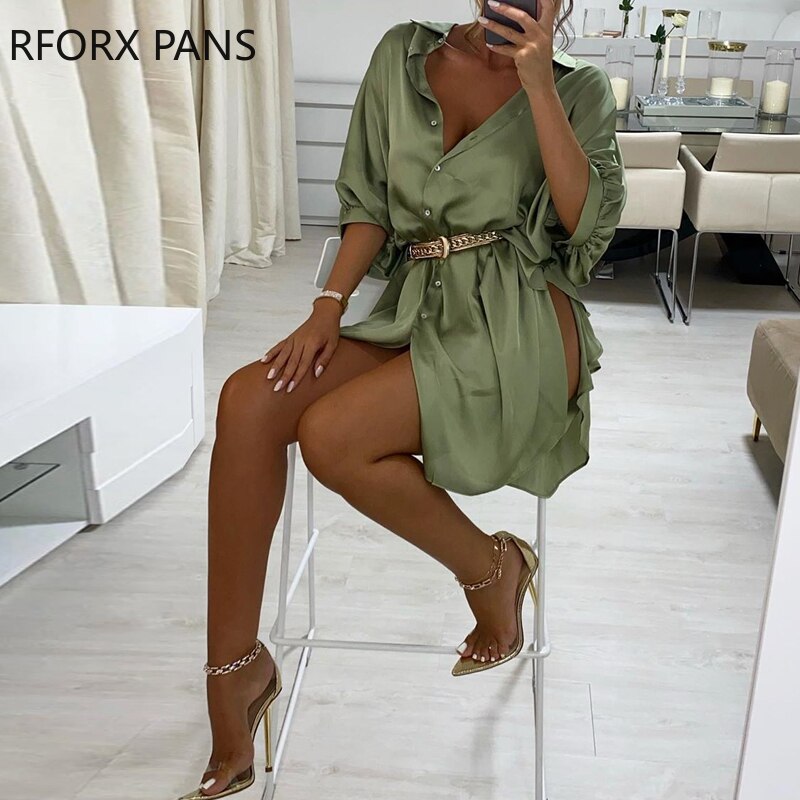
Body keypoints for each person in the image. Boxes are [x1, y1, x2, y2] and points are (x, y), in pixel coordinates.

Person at [177, 1, 626, 797]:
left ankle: (492, 570)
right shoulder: (404, 56)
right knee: (249, 400)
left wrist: (538, 84)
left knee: (333, 435)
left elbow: (584, 229)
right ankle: (235, 670)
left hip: (519, 324)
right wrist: (327, 307)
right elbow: (370, 205)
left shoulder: (578, 88)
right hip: (418, 309)